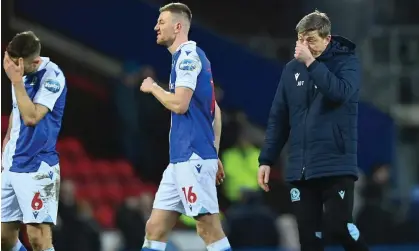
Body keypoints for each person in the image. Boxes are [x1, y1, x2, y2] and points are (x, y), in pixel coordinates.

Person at [257, 11, 369, 251]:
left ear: (327, 39)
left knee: (341, 228)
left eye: (311, 40)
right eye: (300, 40)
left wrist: (311, 63)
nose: (304, 46)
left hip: (335, 164)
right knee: (309, 239)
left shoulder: (346, 62)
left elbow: (339, 93)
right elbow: (279, 117)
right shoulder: (290, 70)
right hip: (300, 169)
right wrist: (266, 159)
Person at [139, 3, 230, 251]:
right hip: (182, 159)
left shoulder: (187, 58)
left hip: (193, 156)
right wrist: (214, 151)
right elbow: (216, 110)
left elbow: (179, 104)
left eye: (161, 22)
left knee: (208, 228)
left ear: (177, 26)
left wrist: (153, 87)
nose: (156, 27)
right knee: (155, 228)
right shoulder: (188, 57)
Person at [1, 31, 67, 251]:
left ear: (36, 61)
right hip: (12, 163)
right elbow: (17, 109)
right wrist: (6, 143)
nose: (12, 67)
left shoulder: (52, 76)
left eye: (19, 65)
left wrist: (17, 81)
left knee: (38, 238)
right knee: (4, 238)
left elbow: (31, 117)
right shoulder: (18, 68)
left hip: (37, 166)